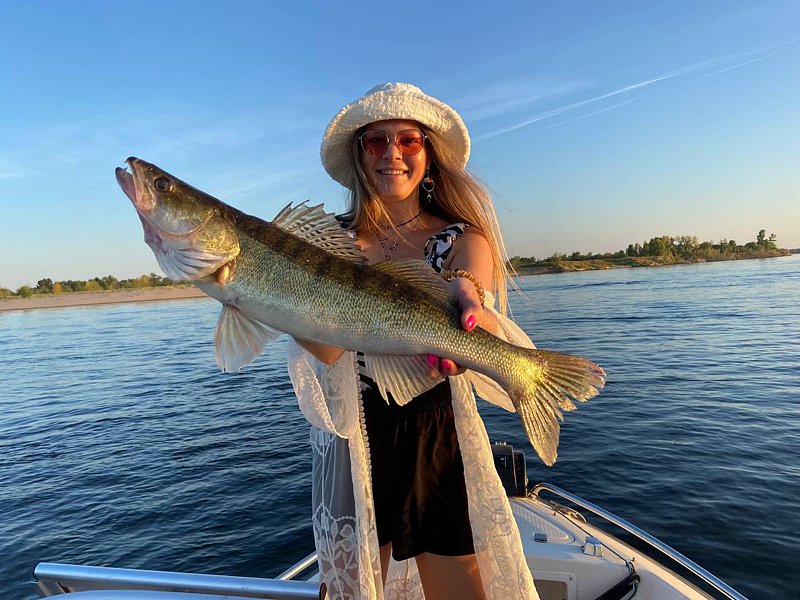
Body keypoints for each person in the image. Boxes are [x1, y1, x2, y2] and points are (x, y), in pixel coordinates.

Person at [286, 83, 540, 600]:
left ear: (428, 154)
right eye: (375, 140)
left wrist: (468, 302)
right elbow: (329, 350)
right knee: (352, 590)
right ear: (359, 155)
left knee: (460, 587)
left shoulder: (462, 236)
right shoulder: (325, 239)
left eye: (408, 139)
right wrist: (268, 298)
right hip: (355, 433)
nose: (392, 153)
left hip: (435, 429)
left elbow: (471, 287)